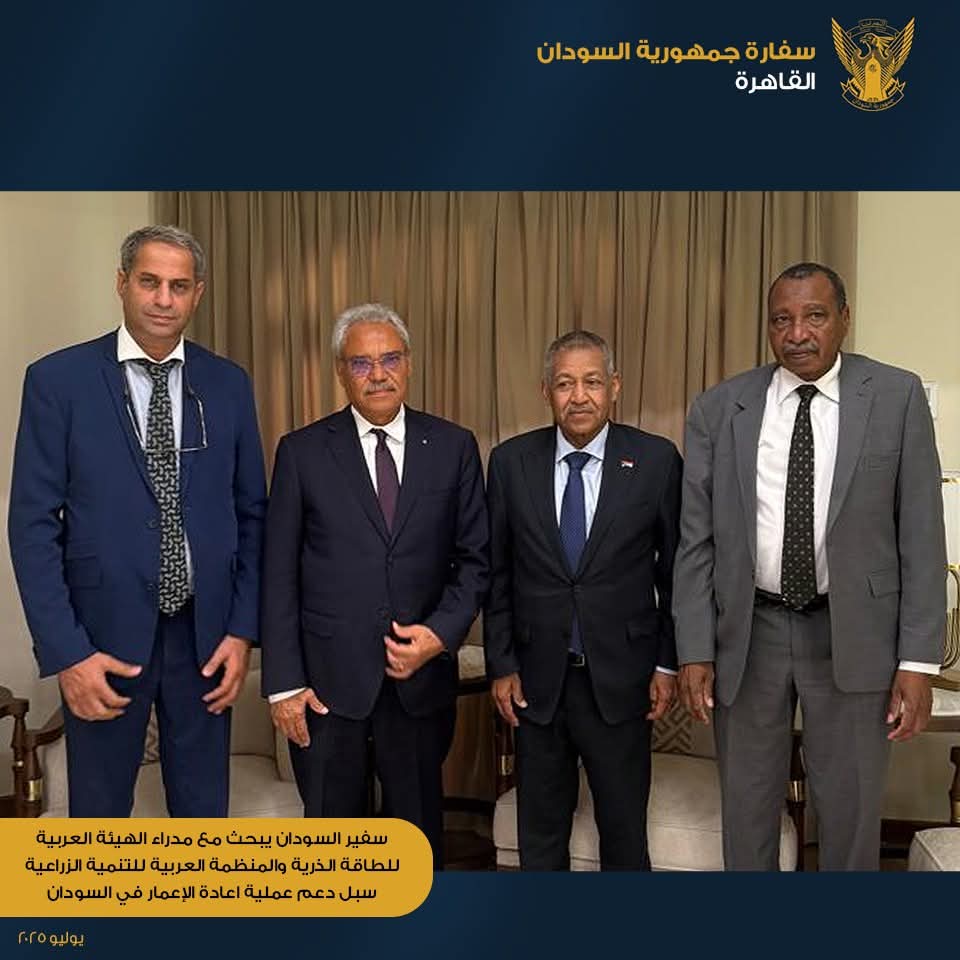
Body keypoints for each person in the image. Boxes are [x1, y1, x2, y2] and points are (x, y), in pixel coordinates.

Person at [673, 262, 946, 870]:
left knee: (850, 817)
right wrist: (694, 648)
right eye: (782, 320)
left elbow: (922, 535)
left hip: (855, 636)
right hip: (750, 636)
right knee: (746, 814)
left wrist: (917, 661)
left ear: (844, 319)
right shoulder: (720, 408)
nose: (797, 333)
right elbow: (696, 543)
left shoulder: (896, 397)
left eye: (814, 316)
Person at [8, 225, 266, 816]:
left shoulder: (228, 384)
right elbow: (32, 526)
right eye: (150, 282)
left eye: (179, 286)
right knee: (99, 820)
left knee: (203, 819)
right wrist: (68, 653)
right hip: (100, 641)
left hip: (206, 639)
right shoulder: (58, 381)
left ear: (198, 293)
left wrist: (241, 631)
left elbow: (253, 514)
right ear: (122, 283)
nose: (164, 299)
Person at [260, 302, 488, 868]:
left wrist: (439, 636)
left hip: (419, 681)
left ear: (409, 364)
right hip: (325, 687)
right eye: (361, 363)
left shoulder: (454, 447)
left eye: (390, 359)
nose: (378, 374)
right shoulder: (302, 452)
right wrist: (283, 685)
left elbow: (475, 561)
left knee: (417, 841)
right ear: (341, 372)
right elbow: (278, 573)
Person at [484, 330, 682, 870]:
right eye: (565, 384)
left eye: (592, 382)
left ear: (614, 386)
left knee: (624, 835)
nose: (579, 397)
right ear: (545, 390)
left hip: (622, 680)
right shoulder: (509, 463)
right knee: (541, 838)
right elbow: (497, 573)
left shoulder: (656, 461)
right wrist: (502, 663)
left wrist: (666, 663)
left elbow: (676, 573)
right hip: (536, 684)